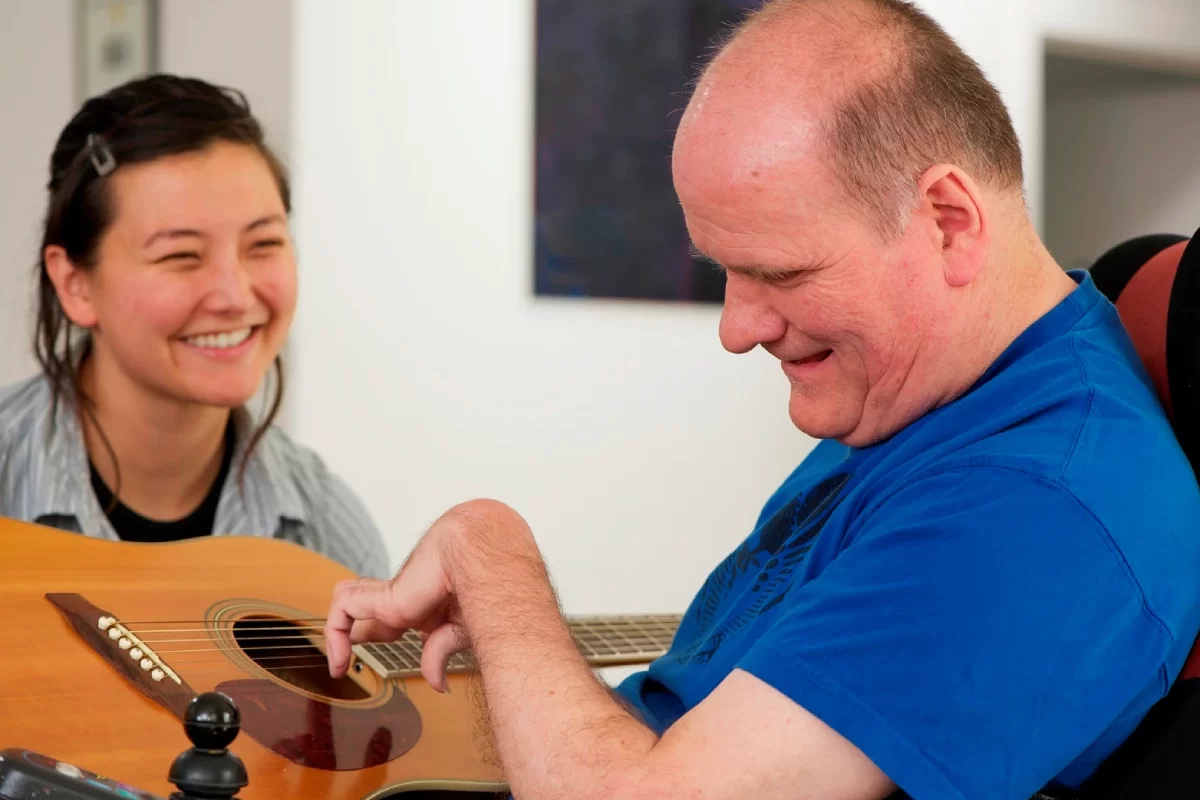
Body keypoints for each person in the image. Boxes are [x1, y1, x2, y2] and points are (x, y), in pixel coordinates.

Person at [323, 1, 1200, 798]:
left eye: (780, 273)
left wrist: (491, 554)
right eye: (726, 273)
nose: (737, 329)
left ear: (948, 220)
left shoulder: (1035, 503)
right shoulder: (918, 399)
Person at [0, 74, 390, 580]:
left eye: (264, 245)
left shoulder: (327, 533)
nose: (235, 296)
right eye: (182, 256)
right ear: (75, 283)